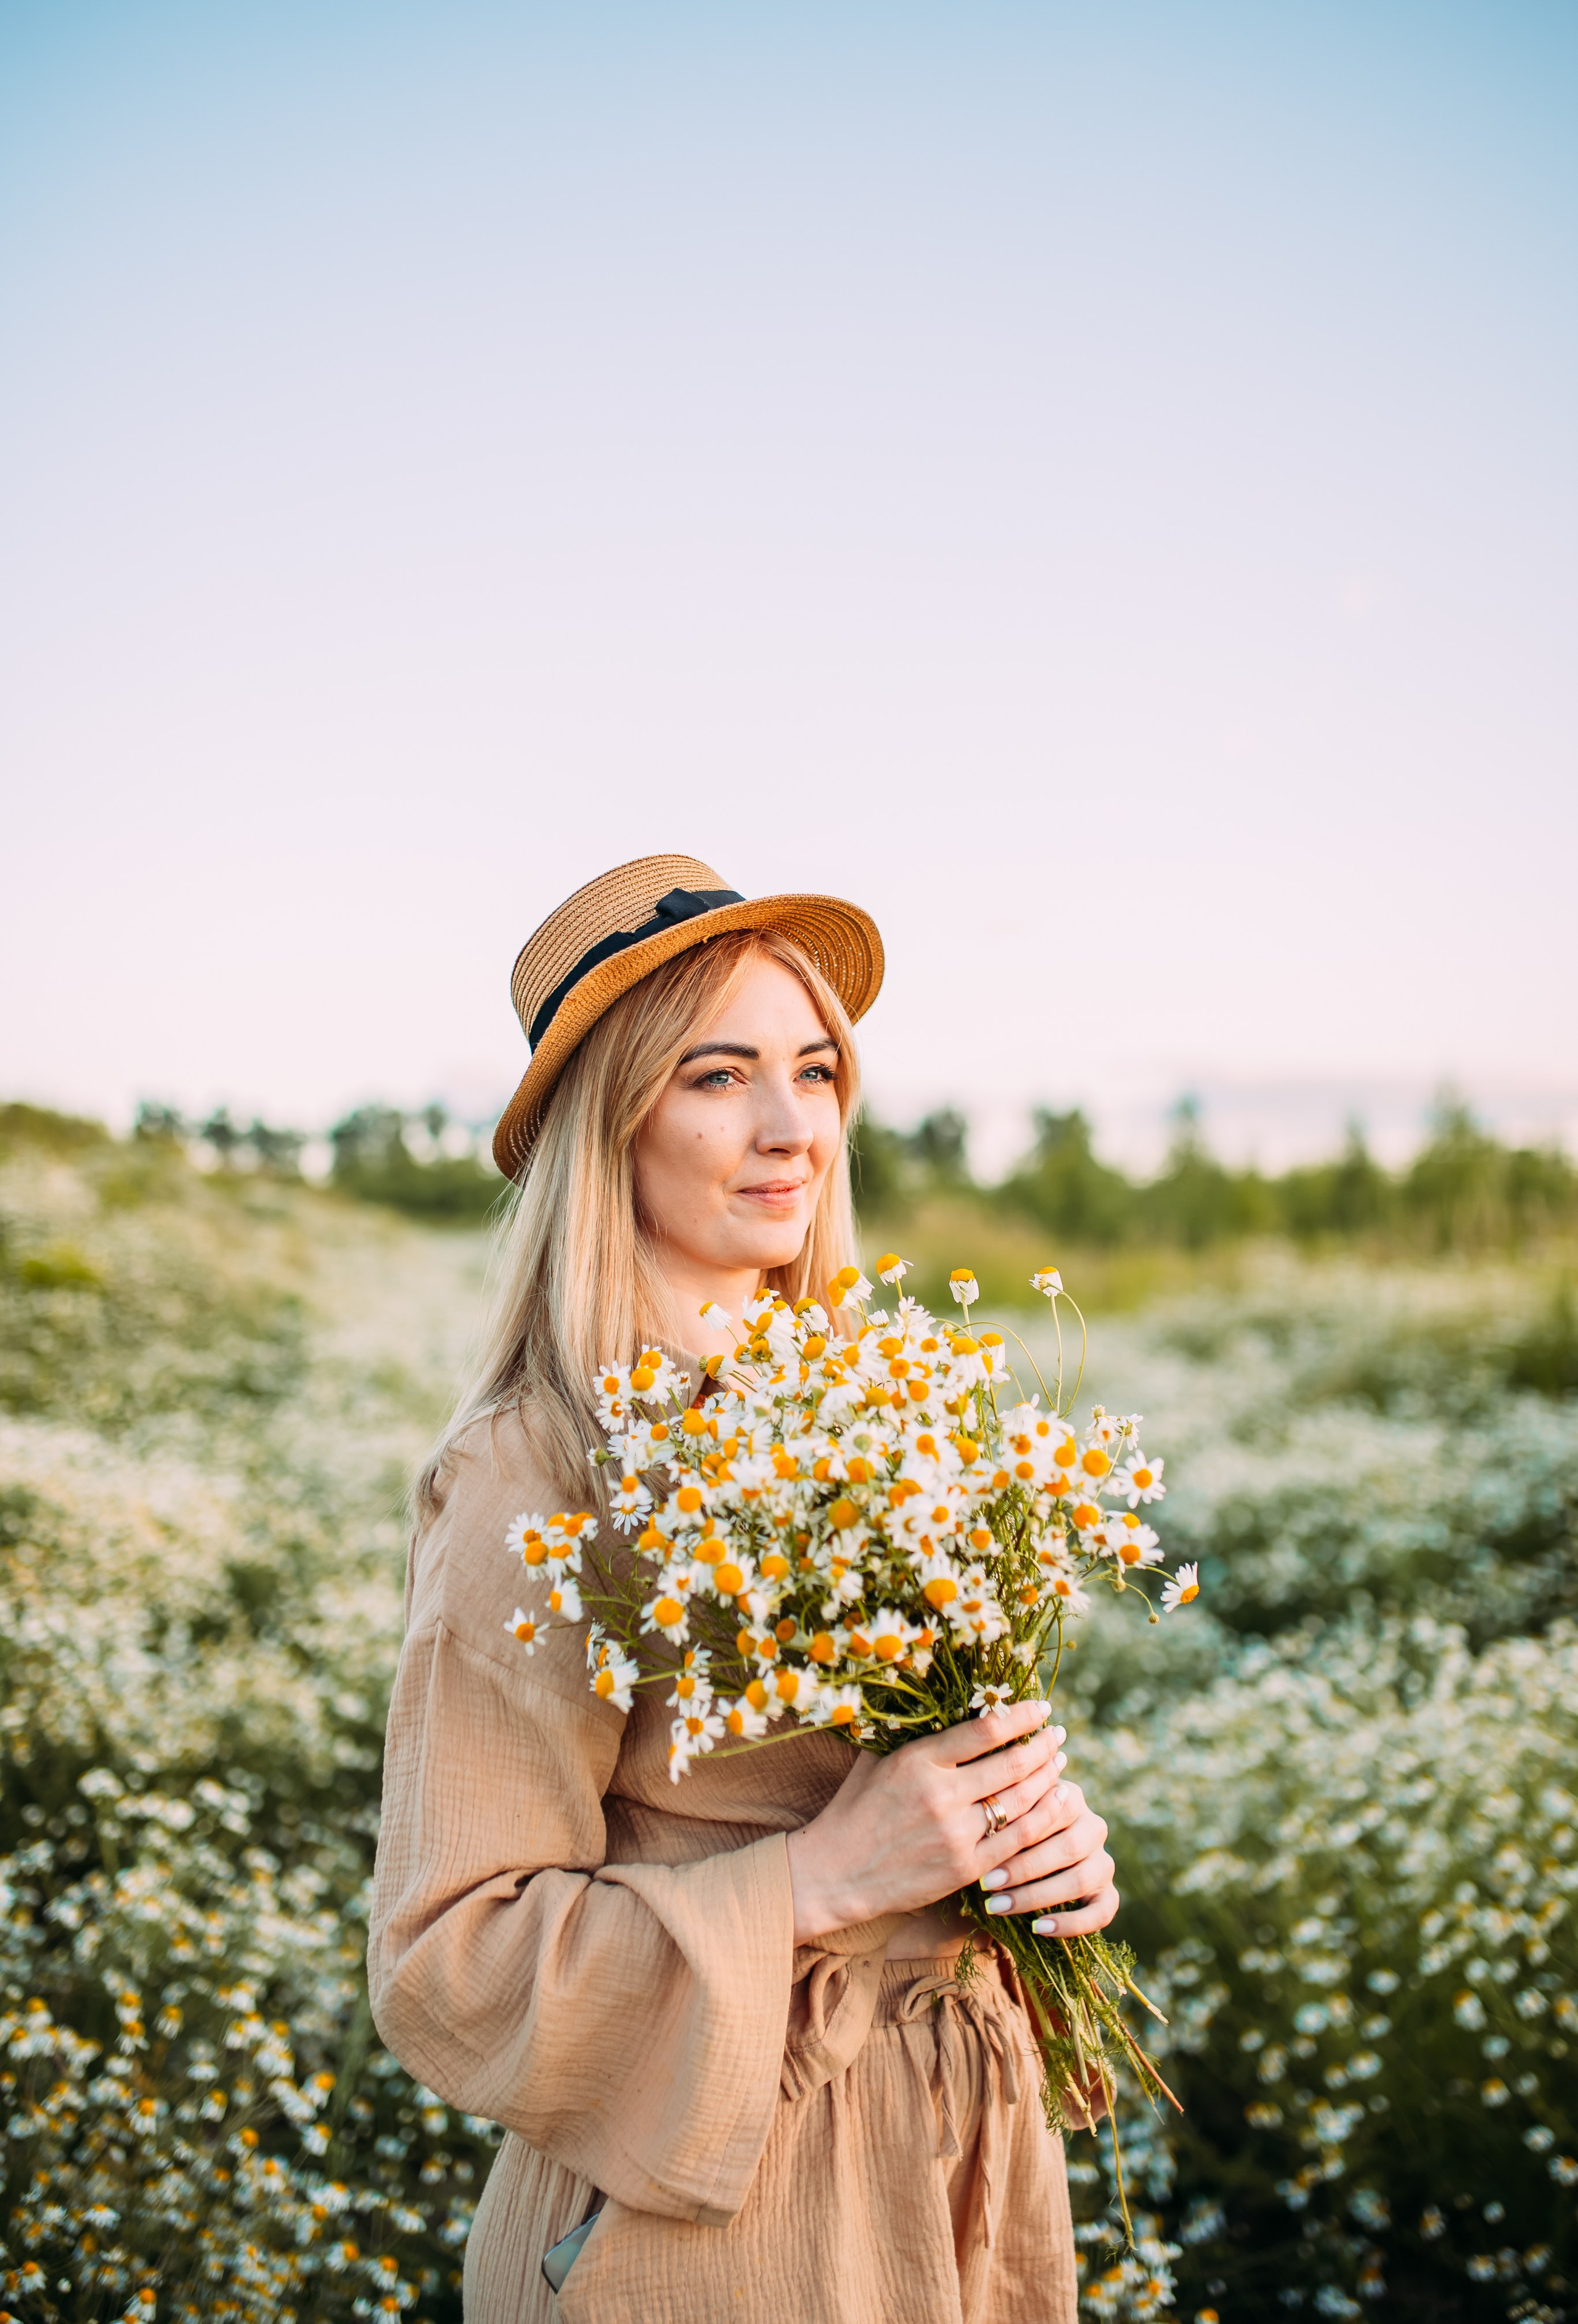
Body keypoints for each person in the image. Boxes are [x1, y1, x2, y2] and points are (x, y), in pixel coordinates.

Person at [369, 854, 1119, 2323]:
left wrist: (1035, 1859)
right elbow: (446, 1961)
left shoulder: (870, 1419)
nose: (792, 1132)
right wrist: (827, 1880)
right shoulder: (539, 1470)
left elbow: (907, 1786)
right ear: (615, 1121)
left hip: (950, 2165)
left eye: (814, 1071)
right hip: (716, 2226)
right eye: (719, 1078)